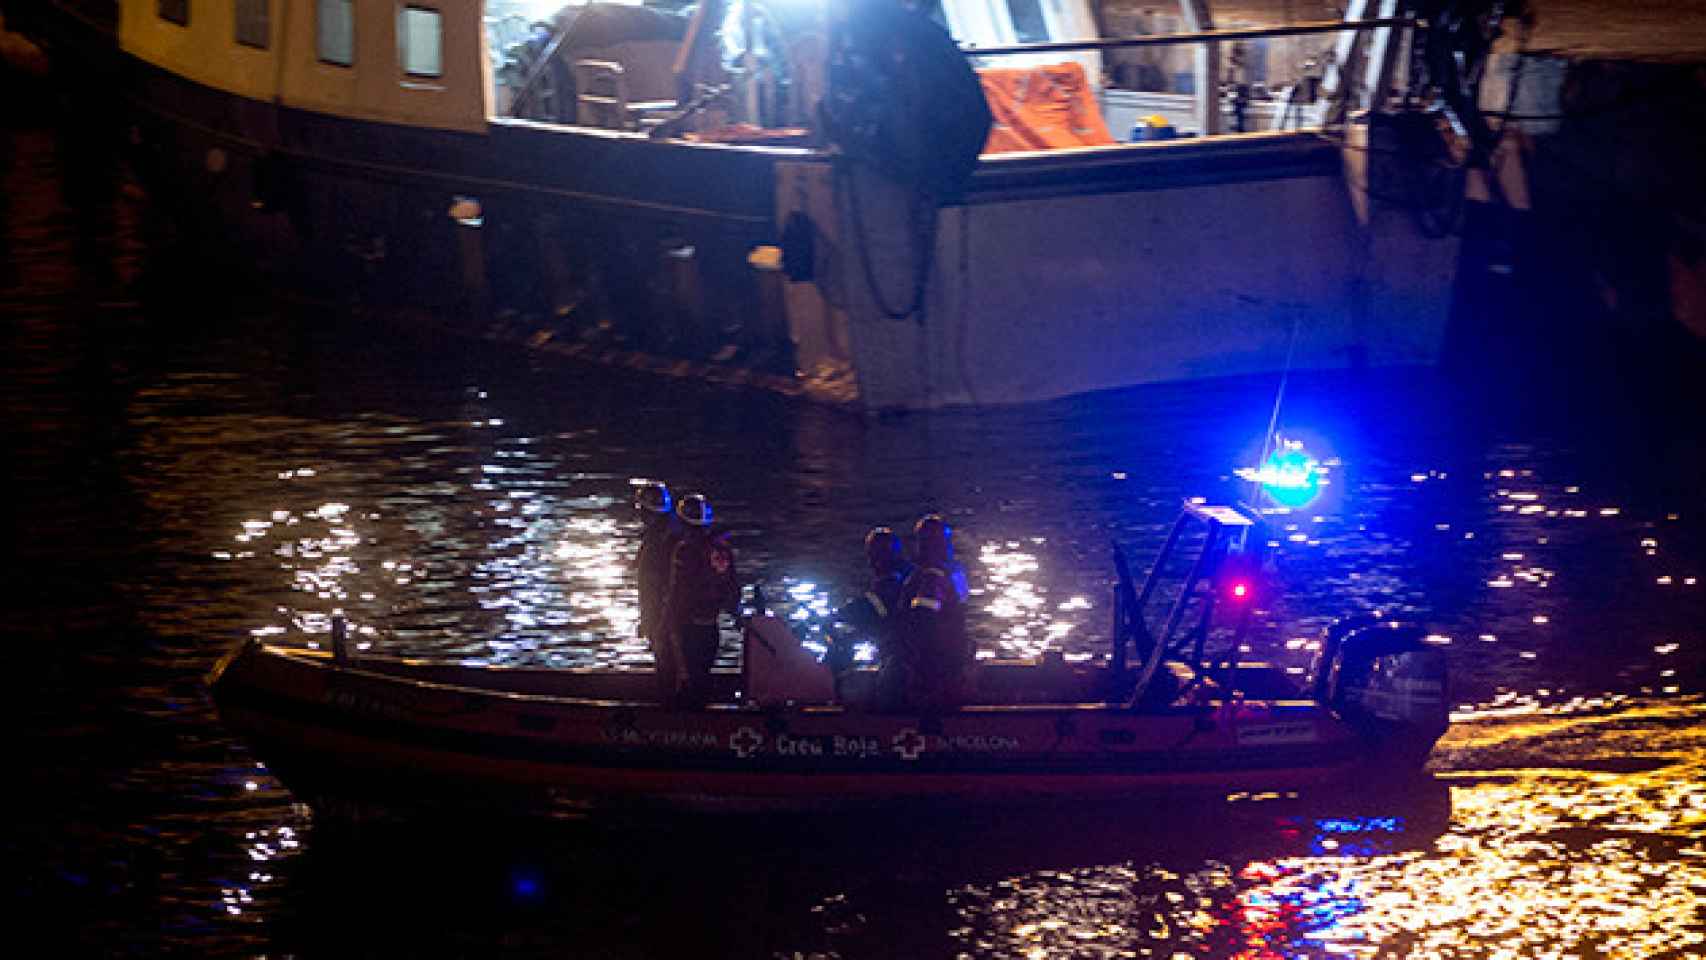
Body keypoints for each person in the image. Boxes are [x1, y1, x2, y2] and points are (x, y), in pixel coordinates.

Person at [662, 493, 740, 706]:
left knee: (686, 682)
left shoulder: (684, 551)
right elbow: (733, 592)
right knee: (703, 676)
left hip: (688, 629)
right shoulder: (722, 551)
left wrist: (665, 626)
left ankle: (687, 729)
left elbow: (677, 592)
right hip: (712, 629)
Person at [893, 513, 972, 709]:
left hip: (932, 676)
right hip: (953, 665)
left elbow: (924, 623)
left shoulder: (931, 579)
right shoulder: (954, 573)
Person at [833, 526, 913, 695]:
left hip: (901, 661)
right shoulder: (909, 577)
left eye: (874, 555)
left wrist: (838, 617)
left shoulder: (891, 585)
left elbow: (870, 609)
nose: (871, 562)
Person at [633, 481, 684, 698]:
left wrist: (649, 620)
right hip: (682, 617)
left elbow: (651, 586)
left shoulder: (657, 542)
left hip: (666, 617)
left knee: (667, 669)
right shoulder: (678, 534)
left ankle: (670, 718)